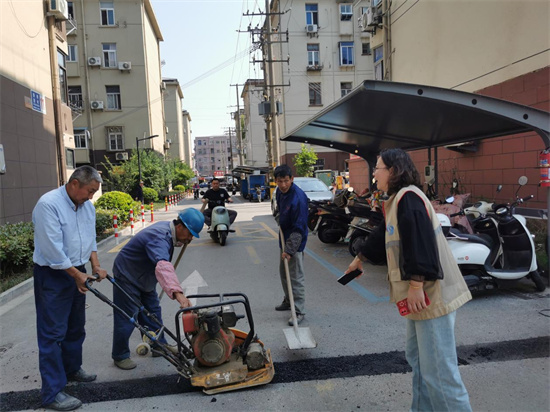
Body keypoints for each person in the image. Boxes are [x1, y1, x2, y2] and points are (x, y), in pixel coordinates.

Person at [345, 148, 472, 412]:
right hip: (421, 298)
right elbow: (384, 234)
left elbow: (420, 244)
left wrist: (415, 285)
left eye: (377, 168)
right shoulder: (397, 199)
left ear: (393, 171)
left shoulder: (409, 199)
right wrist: (361, 258)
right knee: (419, 361)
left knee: (438, 371)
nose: (374, 174)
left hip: (429, 295)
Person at [32, 166, 108, 411]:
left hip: (78, 269)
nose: (92, 196)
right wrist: (77, 276)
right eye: (90, 191)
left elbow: (90, 238)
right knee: (53, 334)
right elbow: (53, 251)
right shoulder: (48, 205)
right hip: (53, 275)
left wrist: (95, 265)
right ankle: (52, 393)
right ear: (74, 183)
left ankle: (72, 369)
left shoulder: (87, 206)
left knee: (75, 326)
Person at [111, 208, 204, 370]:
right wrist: (179, 295)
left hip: (144, 277)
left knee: (152, 311)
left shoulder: (169, 231)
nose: (190, 239)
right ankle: (120, 355)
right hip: (127, 275)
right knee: (127, 317)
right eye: (190, 234)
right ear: (180, 226)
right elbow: (163, 266)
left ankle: (158, 346)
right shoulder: (159, 237)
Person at [273, 165, 309, 326]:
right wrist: (278, 217)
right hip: (284, 236)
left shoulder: (299, 198)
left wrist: (289, 250)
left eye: (286, 181)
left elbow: (299, 228)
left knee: (295, 276)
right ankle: (288, 300)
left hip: (296, 240)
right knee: (283, 272)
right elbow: (279, 211)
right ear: (275, 181)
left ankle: (299, 310)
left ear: (292, 179)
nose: (283, 185)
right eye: (280, 181)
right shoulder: (280, 193)